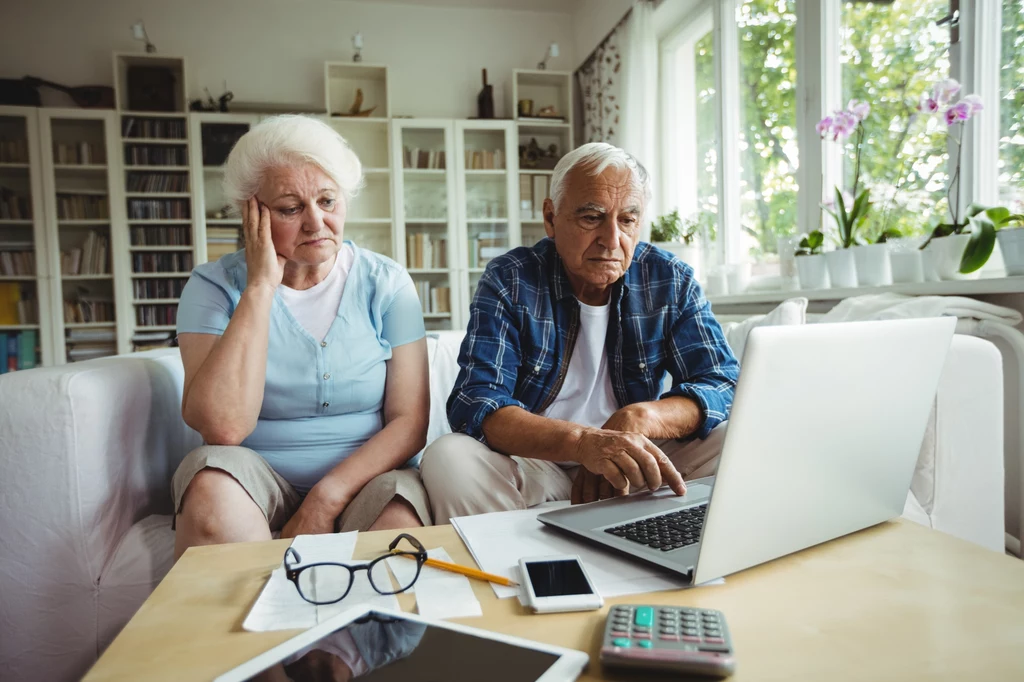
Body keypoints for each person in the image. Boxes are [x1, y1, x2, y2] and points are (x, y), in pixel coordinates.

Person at [420, 142, 739, 522]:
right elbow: (476, 402)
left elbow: (721, 382)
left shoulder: (669, 278)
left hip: (636, 457)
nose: (611, 239)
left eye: (627, 220)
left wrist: (640, 419)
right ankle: (510, 568)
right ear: (551, 218)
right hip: (541, 464)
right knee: (448, 458)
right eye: (592, 217)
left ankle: (671, 546)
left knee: (738, 441)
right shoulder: (510, 279)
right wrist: (583, 443)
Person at [172, 115, 430, 560]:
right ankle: (248, 630)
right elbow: (223, 427)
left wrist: (324, 500)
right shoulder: (212, 286)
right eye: (291, 209)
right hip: (252, 477)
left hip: (365, 478)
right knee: (211, 493)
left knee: (398, 527)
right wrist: (259, 288)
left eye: (328, 201)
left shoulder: (386, 282)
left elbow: (410, 422)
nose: (316, 223)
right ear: (250, 212)